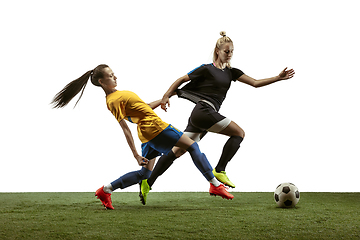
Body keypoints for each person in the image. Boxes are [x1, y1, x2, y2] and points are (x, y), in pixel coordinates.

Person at [51, 64, 233, 209]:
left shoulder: (118, 95)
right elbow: (124, 128)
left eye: (114, 73)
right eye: (111, 75)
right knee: (192, 145)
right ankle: (214, 183)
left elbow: (143, 107)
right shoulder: (113, 101)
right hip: (155, 128)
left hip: (146, 134)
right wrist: (135, 155)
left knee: (145, 173)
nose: (115, 77)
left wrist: (163, 99)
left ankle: (105, 190)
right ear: (101, 81)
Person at [143, 31, 295, 192]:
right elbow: (181, 80)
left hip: (202, 117)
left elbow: (255, 83)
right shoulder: (206, 69)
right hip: (203, 111)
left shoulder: (232, 72)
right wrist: (166, 96)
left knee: (178, 150)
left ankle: (148, 183)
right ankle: (220, 169)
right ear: (217, 51)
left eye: (232, 51)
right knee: (239, 133)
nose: (229, 54)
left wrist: (278, 78)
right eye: (226, 51)